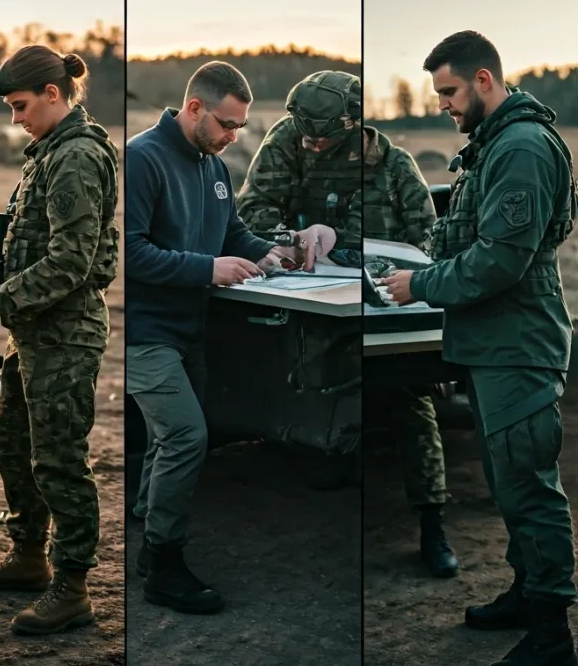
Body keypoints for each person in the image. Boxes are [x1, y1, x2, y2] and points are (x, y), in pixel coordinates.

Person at [380, 30, 578, 666]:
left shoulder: (520, 148)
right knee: (509, 482)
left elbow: (500, 260)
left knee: (530, 488)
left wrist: (420, 284)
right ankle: (527, 593)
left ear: (484, 81)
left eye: (449, 91)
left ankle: (552, 634)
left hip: (518, 346)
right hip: (495, 344)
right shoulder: (496, 144)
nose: (441, 104)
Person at [126, 61, 332, 614]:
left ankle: (146, 538)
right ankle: (164, 565)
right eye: (226, 124)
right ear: (194, 107)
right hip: (143, 332)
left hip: (190, 329)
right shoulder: (140, 159)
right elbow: (129, 251)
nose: (233, 136)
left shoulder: (213, 165)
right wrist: (206, 269)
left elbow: (232, 231)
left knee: (167, 438)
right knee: (186, 436)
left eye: (240, 127)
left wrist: (272, 252)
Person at [0, 45, 119, 636]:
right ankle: (28, 557)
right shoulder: (49, 151)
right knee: (15, 448)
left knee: (60, 461)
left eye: (21, 106)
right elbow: (33, 242)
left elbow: (71, 260)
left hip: (66, 334)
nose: (16, 118)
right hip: (35, 331)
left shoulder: (76, 155)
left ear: (53, 93)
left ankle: (72, 587)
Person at [236, 70, 363, 489]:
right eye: (306, 137)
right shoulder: (285, 138)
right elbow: (253, 209)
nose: (313, 146)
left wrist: (340, 241)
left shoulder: (375, 152)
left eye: (322, 139)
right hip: (299, 276)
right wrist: (287, 240)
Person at [355, 126, 460, 578]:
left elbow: (431, 243)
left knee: (411, 398)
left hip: (392, 310)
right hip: (328, 302)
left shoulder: (397, 167)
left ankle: (432, 524)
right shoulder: (310, 160)